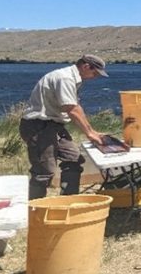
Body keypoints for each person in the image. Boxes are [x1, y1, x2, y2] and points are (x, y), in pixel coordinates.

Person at [19, 55, 108, 200]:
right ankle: (34, 209)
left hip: (53, 125)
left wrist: (92, 131)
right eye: (95, 73)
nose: (95, 77)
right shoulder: (65, 78)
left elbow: (76, 107)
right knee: (44, 171)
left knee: (73, 158)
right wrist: (89, 134)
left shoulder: (72, 78)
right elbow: (70, 108)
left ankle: (68, 200)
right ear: (86, 67)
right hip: (38, 125)